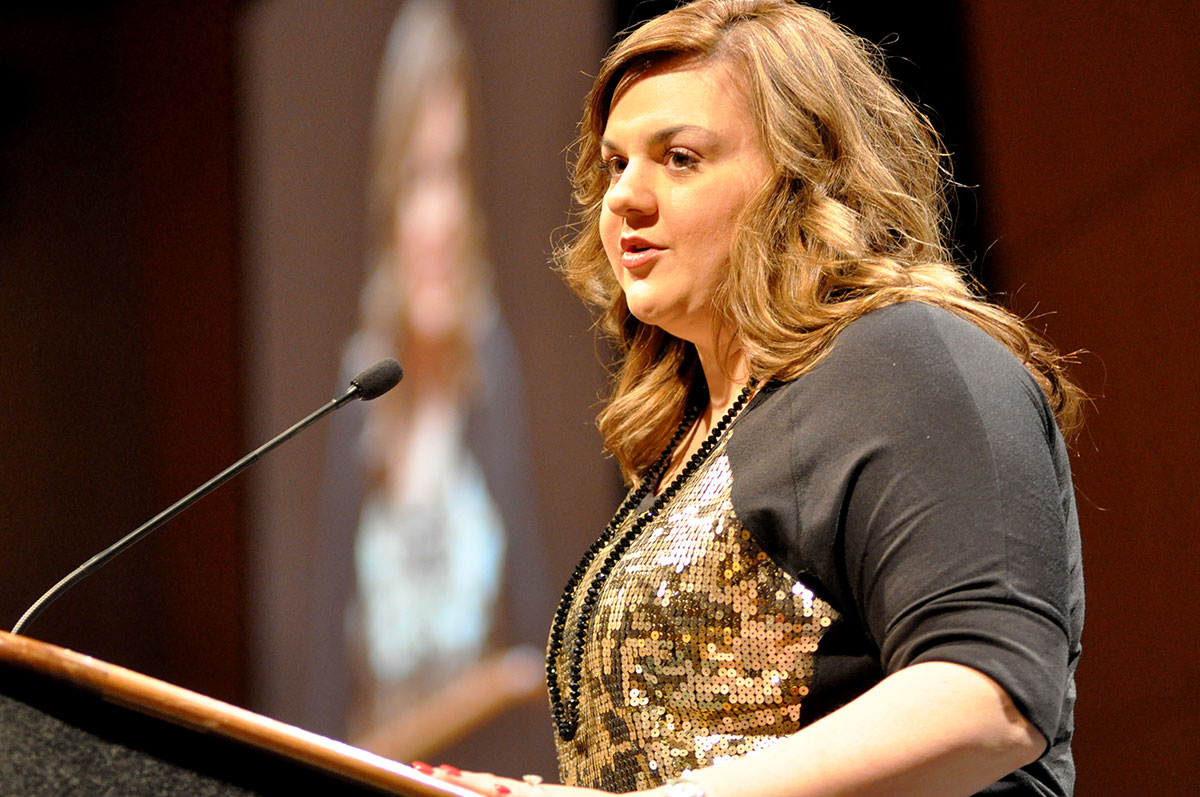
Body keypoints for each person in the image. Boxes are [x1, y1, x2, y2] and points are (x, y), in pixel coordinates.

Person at [428, 0, 1084, 794]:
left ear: (803, 176)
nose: (624, 199)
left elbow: (988, 698)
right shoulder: (690, 433)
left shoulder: (908, 357)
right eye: (615, 164)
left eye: (678, 157)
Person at [303, 0, 551, 771]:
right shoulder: (361, 385)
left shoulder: (491, 367)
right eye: (418, 179)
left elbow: (537, 642)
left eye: (456, 175)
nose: (440, 215)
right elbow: (320, 679)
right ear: (386, 198)